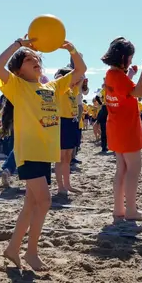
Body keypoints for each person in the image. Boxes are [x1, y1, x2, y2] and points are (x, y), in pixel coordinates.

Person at [0, 38, 86, 271]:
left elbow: (81, 70)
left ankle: (13, 249)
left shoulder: (52, 87)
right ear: (18, 69)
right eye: (29, 59)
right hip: (29, 152)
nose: (35, 61)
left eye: (37, 59)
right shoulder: (17, 86)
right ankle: (31, 252)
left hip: (45, 153)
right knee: (45, 201)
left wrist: (71, 49)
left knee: (31, 204)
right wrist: (18, 45)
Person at [102, 38, 142, 221]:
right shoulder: (119, 77)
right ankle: (131, 210)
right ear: (123, 57)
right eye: (130, 57)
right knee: (133, 169)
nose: (131, 60)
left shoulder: (110, 74)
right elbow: (138, 92)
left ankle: (119, 209)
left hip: (115, 127)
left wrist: (129, 75)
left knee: (121, 169)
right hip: (127, 128)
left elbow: (122, 90)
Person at [54, 67, 82, 196]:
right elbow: (59, 81)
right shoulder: (60, 88)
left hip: (72, 122)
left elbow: (78, 88)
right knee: (60, 157)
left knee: (68, 156)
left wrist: (79, 81)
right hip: (62, 122)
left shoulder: (71, 90)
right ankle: (60, 186)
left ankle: (67, 184)